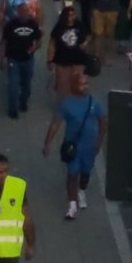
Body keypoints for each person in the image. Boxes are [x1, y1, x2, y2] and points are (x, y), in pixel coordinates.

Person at [42, 72, 107, 220]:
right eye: (82, 84)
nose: (85, 87)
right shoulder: (66, 104)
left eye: (86, 83)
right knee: (72, 174)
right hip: (73, 147)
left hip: (89, 148)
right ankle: (72, 205)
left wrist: (99, 141)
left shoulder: (94, 102)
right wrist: (47, 143)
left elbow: (103, 122)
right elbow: (55, 124)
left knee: (85, 173)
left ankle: (82, 190)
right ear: (73, 86)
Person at [0, 3, 42, 119]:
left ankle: (23, 101)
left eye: (26, 11)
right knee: (13, 85)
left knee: (26, 82)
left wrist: (34, 48)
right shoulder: (11, 25)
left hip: (28, 59)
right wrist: (2, 58)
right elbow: (4, 42)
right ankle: (13, 109)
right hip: (13, 59)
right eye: (22, 11)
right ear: (18, 12)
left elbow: (39, 41)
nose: (24, 13)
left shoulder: (33, 24)